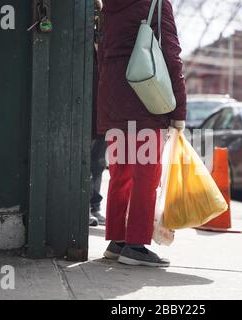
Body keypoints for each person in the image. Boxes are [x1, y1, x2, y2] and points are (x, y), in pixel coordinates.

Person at [97, 0, 186, 267]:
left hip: (112, 101)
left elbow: (101, 55)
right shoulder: (155, 4)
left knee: (120, 173)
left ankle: (117, 241)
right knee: (147, 176)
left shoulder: (109, 7)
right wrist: (179, 110)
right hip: (145, 99)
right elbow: (171, 55)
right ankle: (136, 245)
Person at [89, 0, 106, 227]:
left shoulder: (105, 41)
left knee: (99, 161)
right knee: (85, 159)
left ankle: (95, 205)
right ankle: (84, 207)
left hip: (104, 111)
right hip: (88, 108)